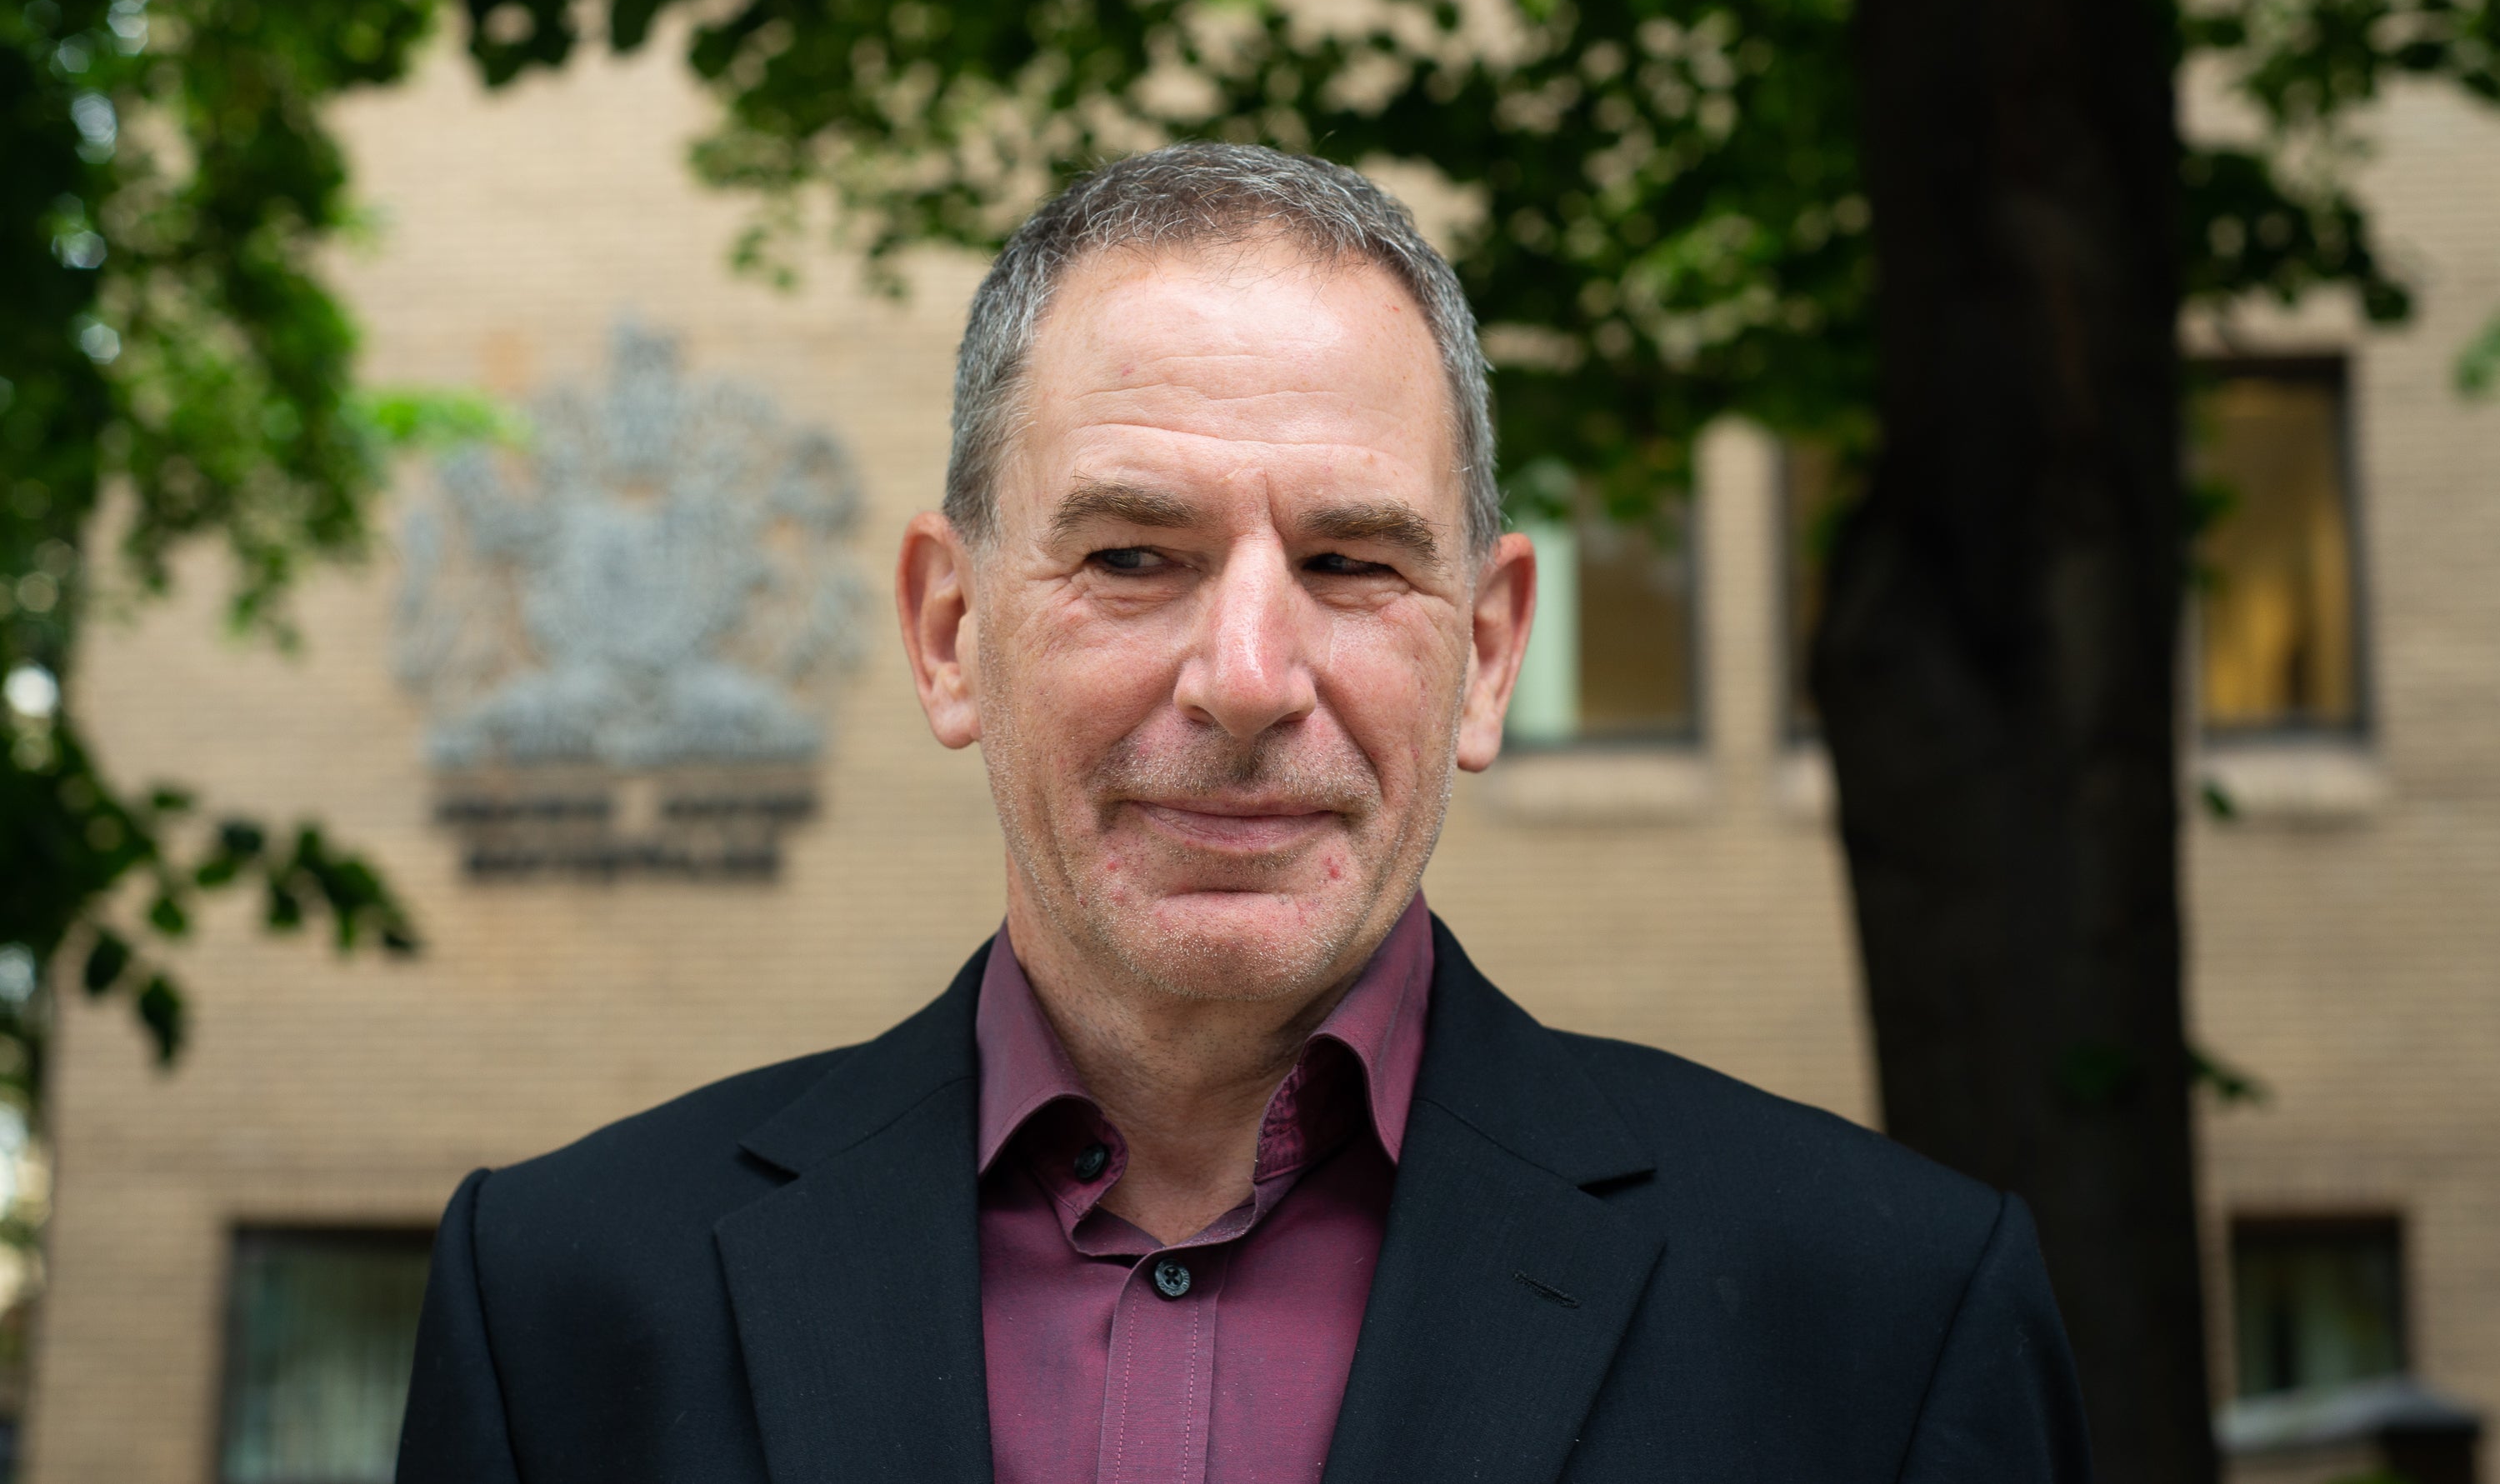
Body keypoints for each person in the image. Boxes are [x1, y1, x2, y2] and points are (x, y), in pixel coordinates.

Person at [398, 144, 2091, 1484]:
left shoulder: (1882, 1322)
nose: (1249, 675)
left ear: (1488, 656)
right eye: (1136, 556)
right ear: (948, 631)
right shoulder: (565, 1306)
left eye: (1352, 563)